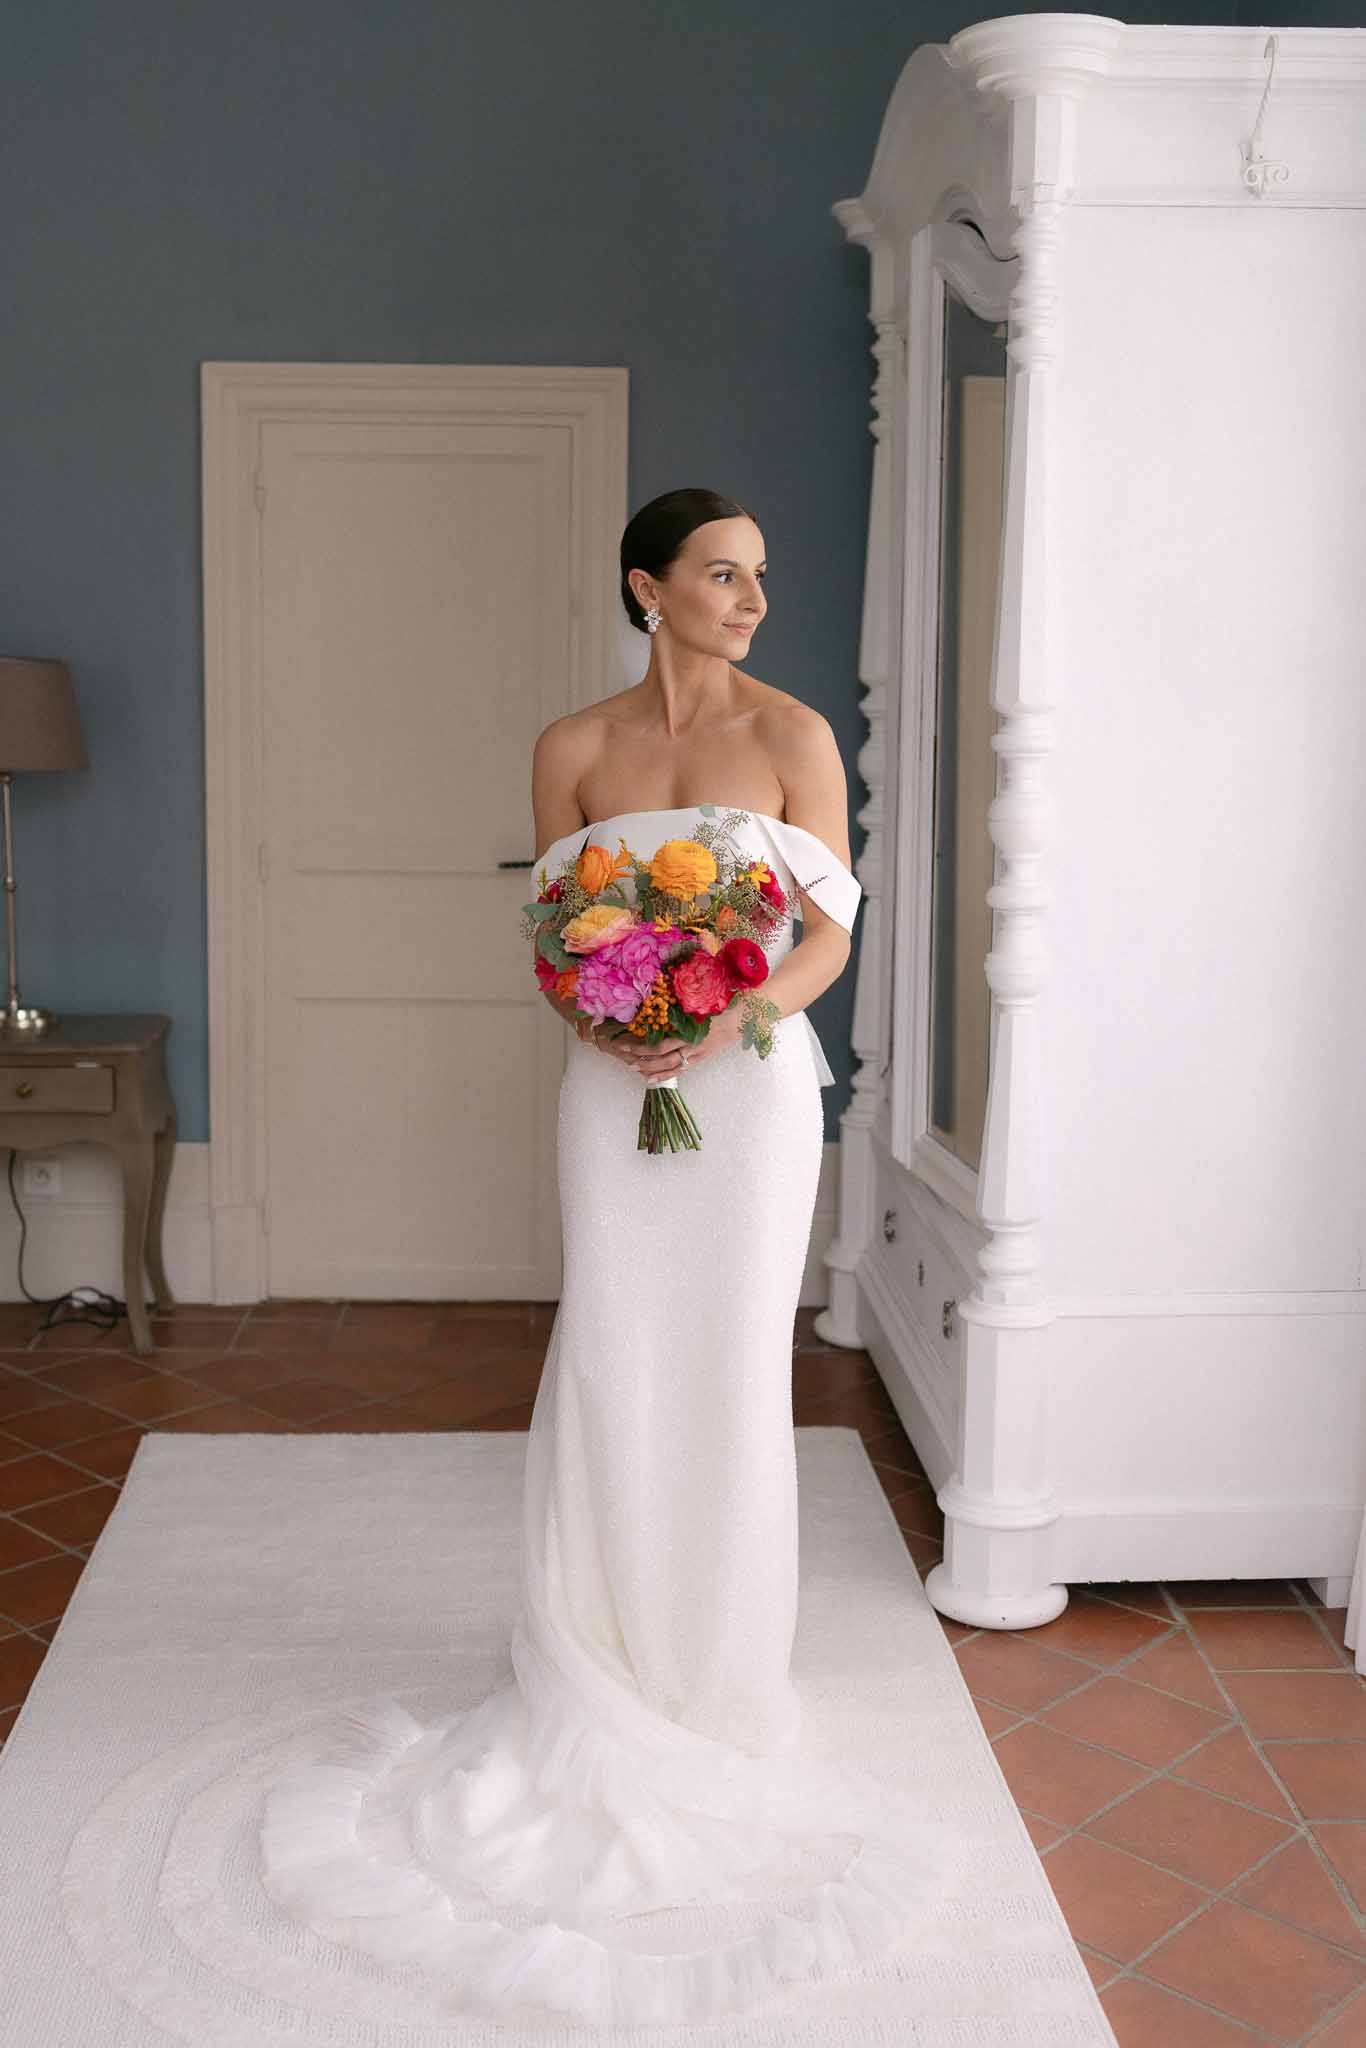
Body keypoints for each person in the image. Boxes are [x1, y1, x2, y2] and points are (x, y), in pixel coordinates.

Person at [256, 487, 957, 2026]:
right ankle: (588, 1644)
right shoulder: (570, 748)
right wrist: (607, 1017)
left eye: (761, 575)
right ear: (649, 588)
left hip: (753, 1079)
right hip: (612, 1083)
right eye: (722, 574)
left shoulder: (792, 738)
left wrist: (732, 1014)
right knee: (617, 1344)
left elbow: (830, 928)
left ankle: (715, 1663)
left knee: (724, 1358)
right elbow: (558, 930)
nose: (752, 598)